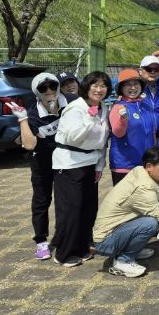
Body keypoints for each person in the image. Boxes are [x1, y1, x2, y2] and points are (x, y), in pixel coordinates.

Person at [93, 146, 159, 278]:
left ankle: (130, 249)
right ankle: (123, 260)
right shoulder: (143, 188)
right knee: (151, 223)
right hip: (106, 242)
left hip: (115, 231)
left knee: (150, 218)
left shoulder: (141, 172)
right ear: (149, 166)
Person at [8, 73, 74, 260]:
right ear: (36, 92)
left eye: (52, 86)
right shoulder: (33, 114)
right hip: (42, 161)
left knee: (68, 200)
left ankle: (66, 234)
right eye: (43, 88)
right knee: (41, 200)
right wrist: (23, 120)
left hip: (67, 159)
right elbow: (29, 145)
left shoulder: (71, 102)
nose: (49, 91)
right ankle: (41, 240)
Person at [51, 71, 111, 267]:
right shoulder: (76, 108)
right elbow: (72, 138)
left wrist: (100, 165)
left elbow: (103, 140)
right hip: (69, 164)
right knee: (71, 210)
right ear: (86, 86)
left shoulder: (103, 108)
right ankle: (64, 253)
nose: (99, 90)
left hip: (90, 163)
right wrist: (89, 119)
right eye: (95, 85)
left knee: (88, 209)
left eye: (103, 86)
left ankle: (83, 246)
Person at [109, 69, 155, 185]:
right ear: (121, 88)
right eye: (128, 85)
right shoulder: (119, 107)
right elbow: (118, 133)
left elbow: (151, 132)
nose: (133, 88)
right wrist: (123, 119)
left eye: (136, 84)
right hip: (125, 166)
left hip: (145, 164)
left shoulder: (145, 106)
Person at [137, 55, 159, 141]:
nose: (153, 72)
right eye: (149, 69)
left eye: (156, 69)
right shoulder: (134, 88)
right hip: (141, 137)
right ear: (140, 71)